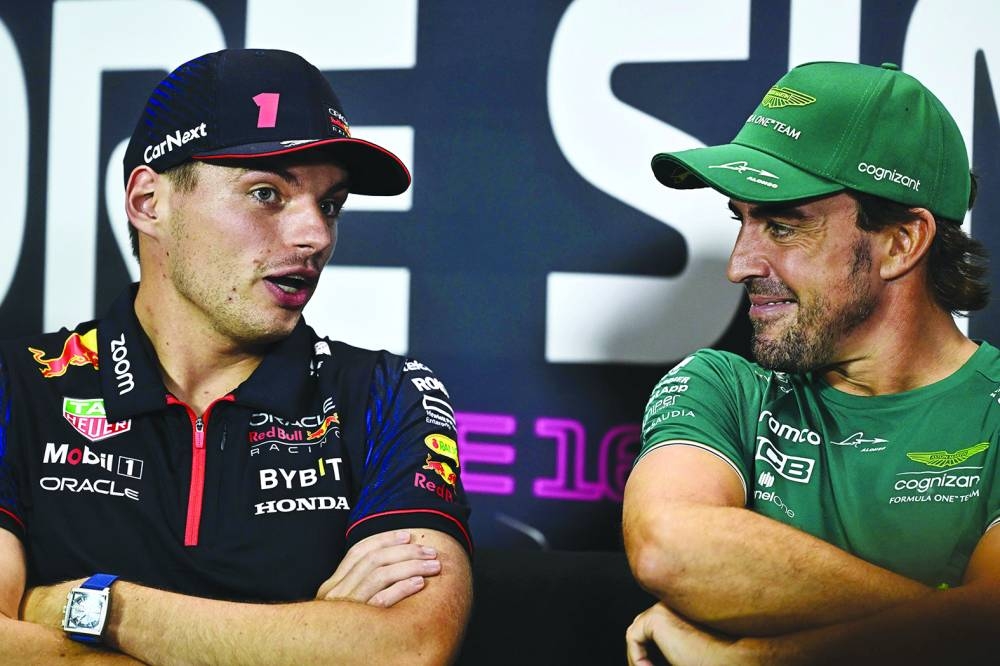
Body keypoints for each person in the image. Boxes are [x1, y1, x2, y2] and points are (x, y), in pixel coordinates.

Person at [0, 48, 472, 664]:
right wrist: (314, 639)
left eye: (330, 204)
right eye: (266, 194)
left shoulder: (386, 393)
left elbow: (406, 650)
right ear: (149, 203)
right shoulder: (18, 383)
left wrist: (96, 609)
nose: (316, 237)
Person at [623, 61, 998, 665]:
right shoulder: (721, 385)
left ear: (902, 241)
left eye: (783, 225)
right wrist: (960, 621)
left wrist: (757, 659)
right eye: (741, 222)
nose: (739, 264)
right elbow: (669, 545)